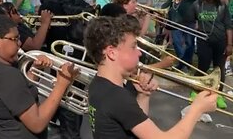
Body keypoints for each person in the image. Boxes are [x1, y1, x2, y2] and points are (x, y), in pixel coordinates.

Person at [84, 15, 217, 139]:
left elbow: (133, 121)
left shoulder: (99, 84)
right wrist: (196, 110)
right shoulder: (118, 97)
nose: (139, 53)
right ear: (112, 53)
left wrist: (144, 95)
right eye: (133, 46)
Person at [0, 14, 78, 139]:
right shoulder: (8, 77)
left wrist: (34, 70)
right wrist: (62, 84)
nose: (19, 43)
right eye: (15, 39)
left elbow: (14, 97)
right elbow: (37, 123)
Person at [193, 0, 232, 109]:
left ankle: (218, 95)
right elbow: (191, 21)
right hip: (203, 41)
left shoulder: (221, 6)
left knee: (219, 69)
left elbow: (228, 26)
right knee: (202, 66)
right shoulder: (197, 5)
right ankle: (195, 92)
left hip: (221, 41)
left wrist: (230, 44)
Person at [162, 0, 201, 71]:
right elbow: (169, 2)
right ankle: (182, 62)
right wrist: (157, 10)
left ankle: (186, 64)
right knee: (176, 42)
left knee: (189, 43)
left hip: (189, 21)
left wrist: (198, 20)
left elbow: (199, 4)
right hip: (175, 20)